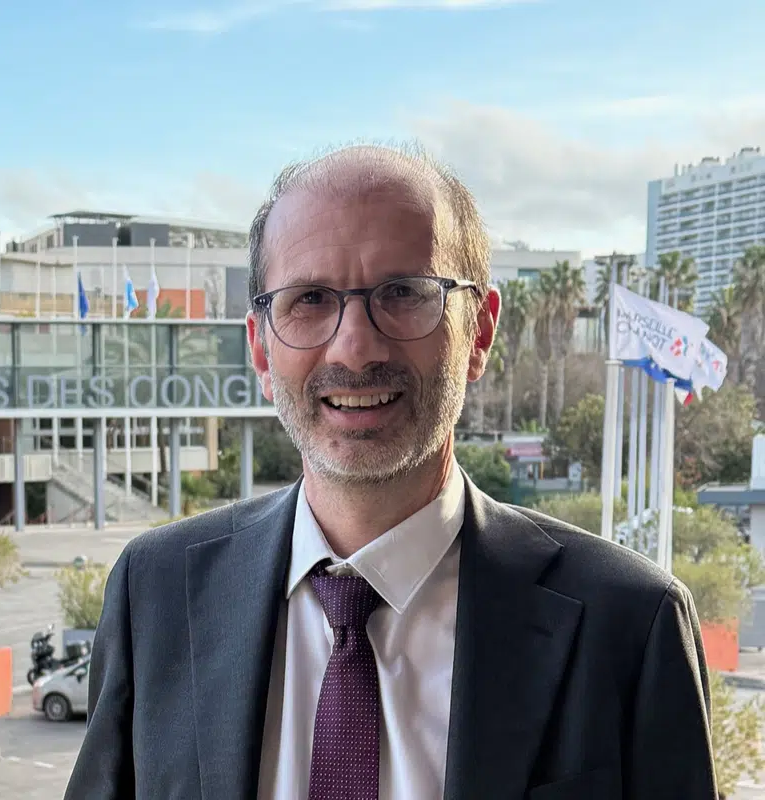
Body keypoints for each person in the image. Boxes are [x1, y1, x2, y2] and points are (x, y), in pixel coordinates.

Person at [63, 143, 717, 800]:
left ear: (480, 333)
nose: (355, 345)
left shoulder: (631, 624)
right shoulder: (154, 593)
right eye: (310, 298)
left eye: (403, 293)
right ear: (261, 349)